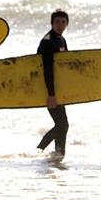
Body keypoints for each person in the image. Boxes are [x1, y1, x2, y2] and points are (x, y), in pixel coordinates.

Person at [36, 9, 70, 157]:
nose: (60, 25)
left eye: (63, 22)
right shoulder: (47, 42)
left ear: (67, 24)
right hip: (47, 88)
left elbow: (64, 67)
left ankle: (59, 153)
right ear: (52, 23)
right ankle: (39, 150)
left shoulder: (61, 39)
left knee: (62, 124)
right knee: (63, 124)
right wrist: (51, 94)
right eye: (57, 22)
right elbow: (47, 69)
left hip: (58, 88)